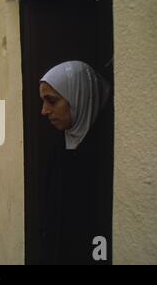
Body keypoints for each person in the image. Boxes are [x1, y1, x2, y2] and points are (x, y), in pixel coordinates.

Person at [39, 61, 112, 265]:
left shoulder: (105, 156)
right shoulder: (57, 149)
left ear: (78, 97)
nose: (44, 111)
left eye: (51, 101)